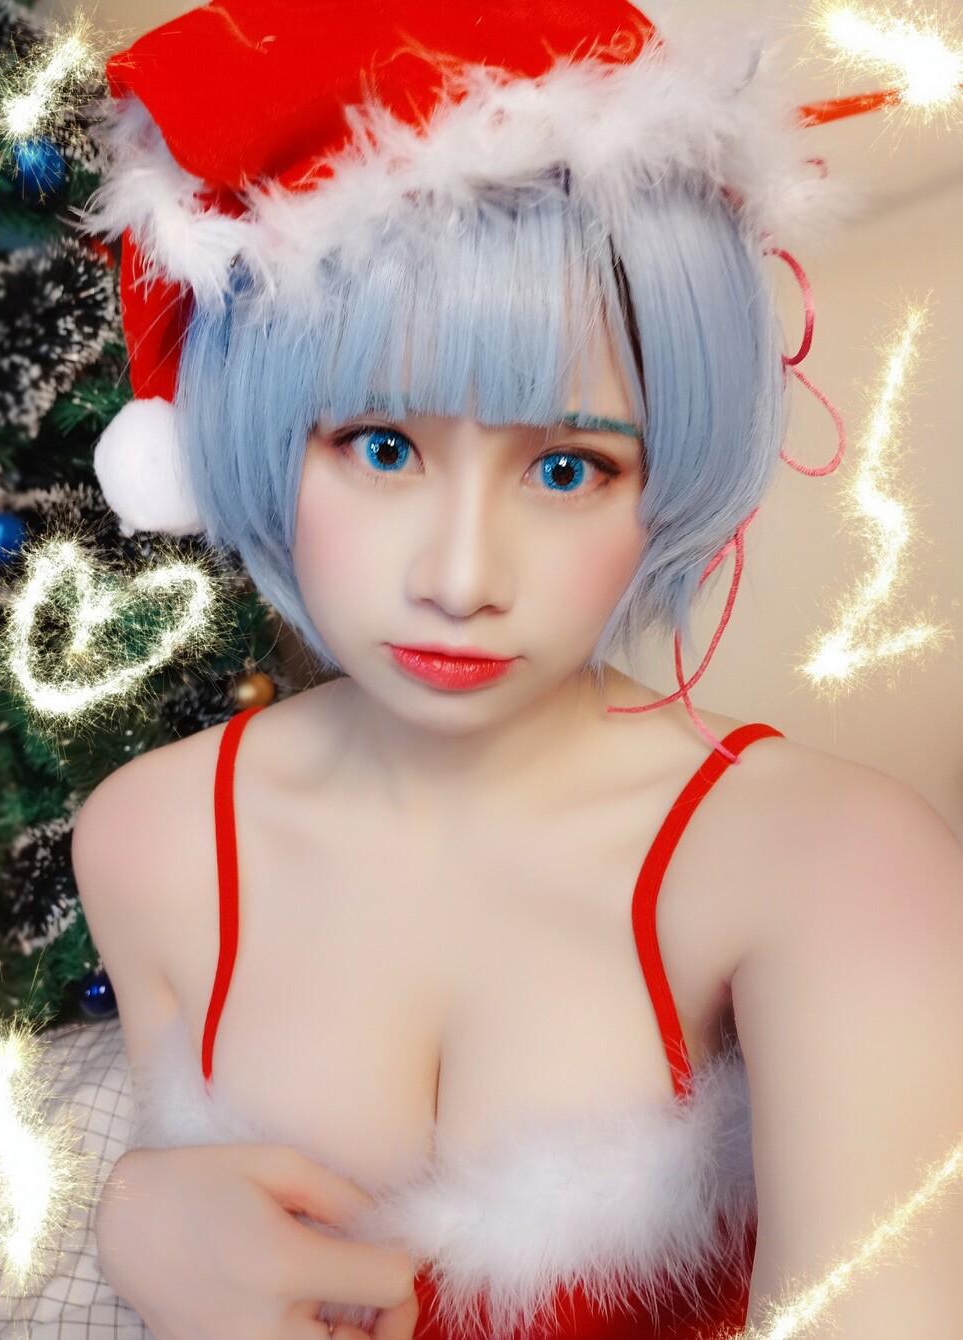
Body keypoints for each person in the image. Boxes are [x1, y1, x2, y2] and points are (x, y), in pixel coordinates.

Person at [70, 2, 963, 1338]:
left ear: (668, 477)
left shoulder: (835, 865)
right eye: (381, 447)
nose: (460, 575)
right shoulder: (152, 836)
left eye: (566, 467)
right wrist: (136, 1219)